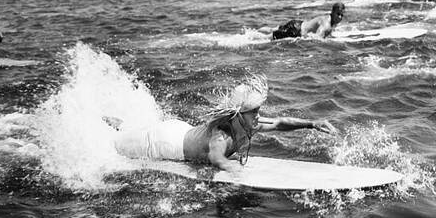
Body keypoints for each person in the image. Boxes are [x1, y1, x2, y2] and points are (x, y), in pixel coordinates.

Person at [112, 75, 337, 174]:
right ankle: (111, 124)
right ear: (239, 114)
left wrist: (313, 124)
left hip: (180, 129)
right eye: (254, 112)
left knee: (132, 132)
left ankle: (121, 124)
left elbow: (279, 123)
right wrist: (235, 171)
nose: (259, 116)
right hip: (167, 143)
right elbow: (216, 157)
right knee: (118, 144)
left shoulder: (250, 123)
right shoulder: (223, 133)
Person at [272, 2, 345, 40]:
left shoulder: (332, 21)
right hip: (295, 30)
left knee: (273, 31)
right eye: (338, 14)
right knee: (269, 37)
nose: (340, 17)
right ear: (332, 12)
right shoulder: (326, 23)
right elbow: (317, 37)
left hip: (298, 25)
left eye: (342, 15)